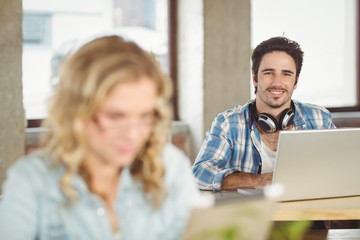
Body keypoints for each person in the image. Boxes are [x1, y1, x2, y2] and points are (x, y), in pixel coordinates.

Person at [0, 36, 199, 239]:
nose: (133, 134)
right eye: (115, 117)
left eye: (145, 116)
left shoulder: (171, 168)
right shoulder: (32, 180)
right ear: (76, 111)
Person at [192, 36, 336, 191]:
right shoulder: (228, 123)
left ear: (296, 81)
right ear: (255, 77)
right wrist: (258, 180)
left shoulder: (319, 119)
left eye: (286, 74)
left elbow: (343, 166)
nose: (277, 82)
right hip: (252, 214)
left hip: (307, 213)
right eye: (269, 73)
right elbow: (199, 175)